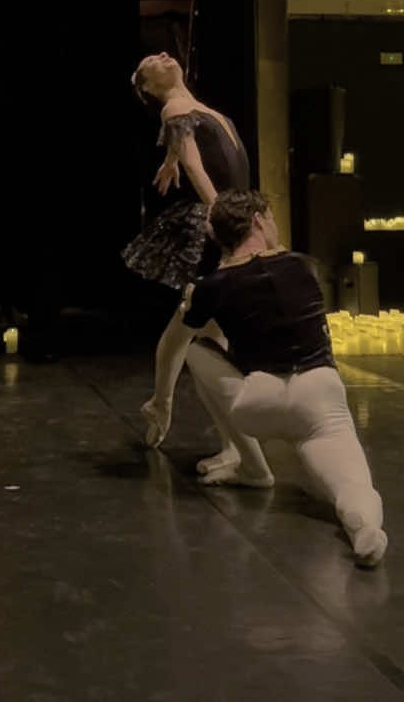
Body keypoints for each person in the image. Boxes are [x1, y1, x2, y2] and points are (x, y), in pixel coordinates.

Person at [140, 190, 387, 569]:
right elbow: (271, 265)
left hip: (258, 402)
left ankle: (253, 467)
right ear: (258, 222)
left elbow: (170, 346)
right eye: (270, 217)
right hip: (320, 399)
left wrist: (162, 403)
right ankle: (365, 530)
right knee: (353, 488)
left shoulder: (211, 287)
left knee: (195, 344)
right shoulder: (304, 266)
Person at [122, 52, 251, 292]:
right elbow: (193, 165)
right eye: (151, 62)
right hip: (219, 213)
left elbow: (182, 133)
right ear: (148, 87)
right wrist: (221, 216)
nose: (163, 54)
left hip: (233, 207)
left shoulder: (193, 108)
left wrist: (170, 160)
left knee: (208, 304)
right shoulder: (173, 108)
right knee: (212, 298)